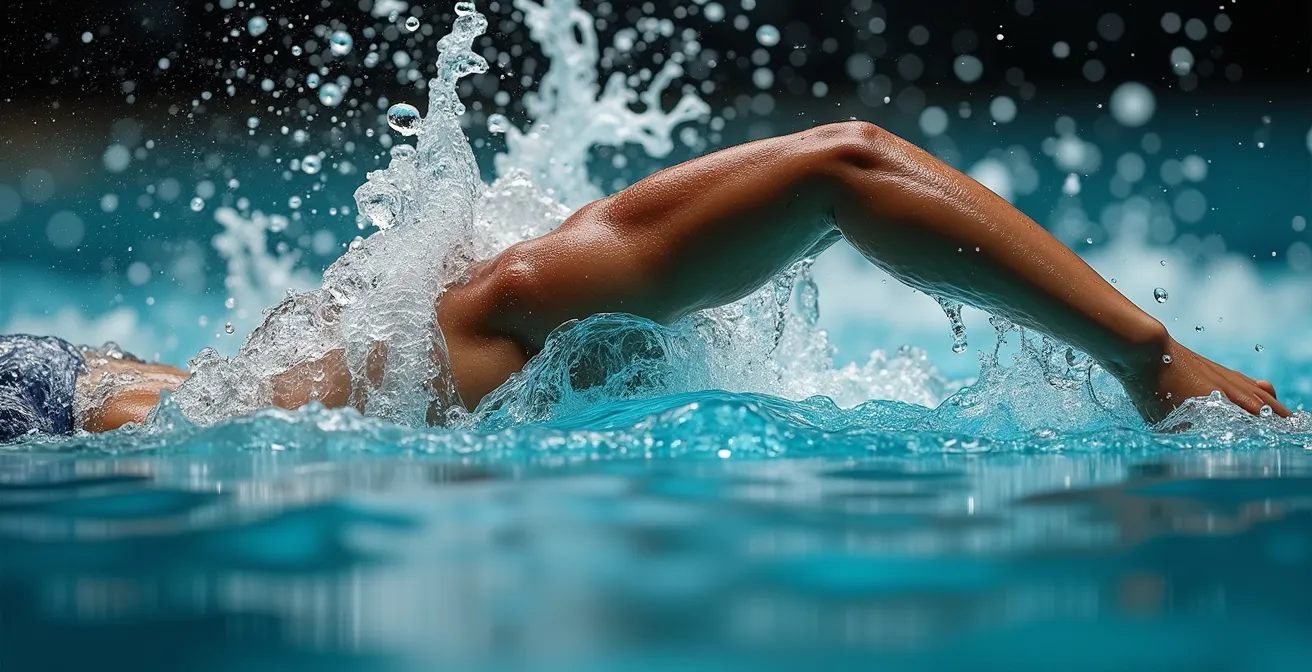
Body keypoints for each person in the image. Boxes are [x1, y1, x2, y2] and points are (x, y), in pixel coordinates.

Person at [0, 122, 1289, 442]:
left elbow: (850, 162)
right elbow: (853, 167)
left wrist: (1153, 361)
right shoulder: (463, 343)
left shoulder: (491, 310)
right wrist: (1149, 359)